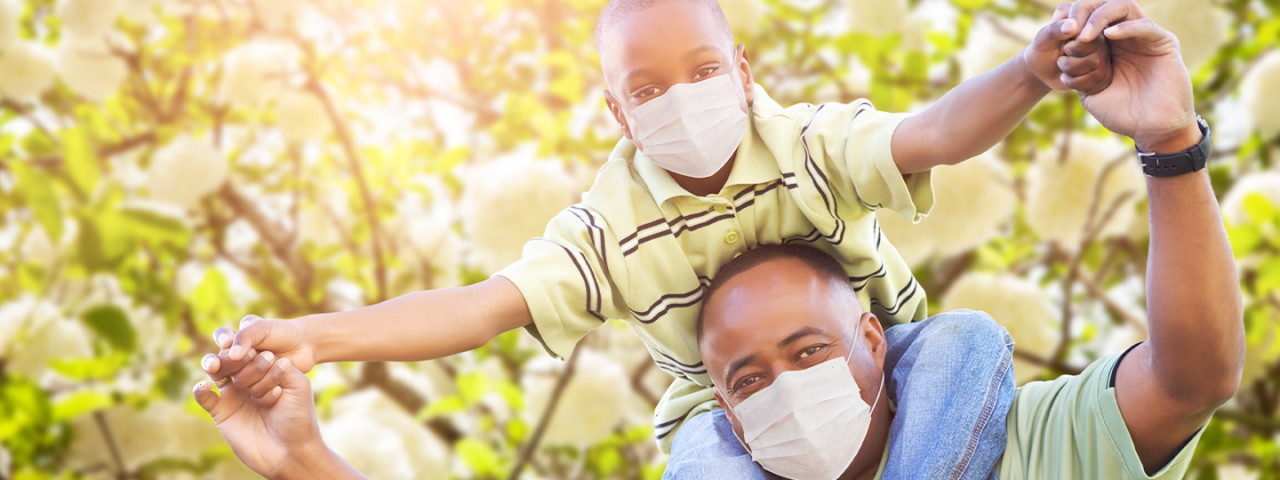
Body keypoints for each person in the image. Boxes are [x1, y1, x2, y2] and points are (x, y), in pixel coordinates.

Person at [199, 0, 1114, 474]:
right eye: (646, 88)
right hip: (724, 415)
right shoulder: (608, 226)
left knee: (967, 339)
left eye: (703, 69)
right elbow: (481, 309)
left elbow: (936, 134)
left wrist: (1034, 72)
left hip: (885, 355)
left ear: (743, 71)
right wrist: (318, 336)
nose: (680, 97)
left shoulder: (806, 144)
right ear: (618, 112)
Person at [682, 3, 1244, 478]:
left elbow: (1188, 382)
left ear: (874, 339)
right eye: (749, 380)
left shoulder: (1024, 441)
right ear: (728, 413)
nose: (789, 391)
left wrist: (1170, 141)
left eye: (810, 351)